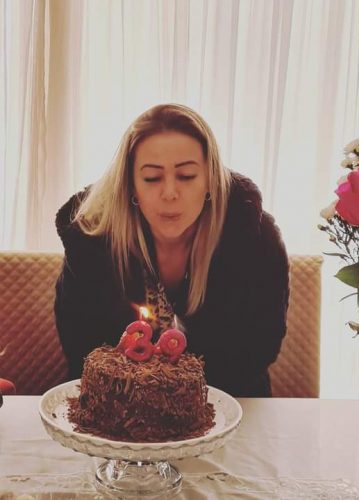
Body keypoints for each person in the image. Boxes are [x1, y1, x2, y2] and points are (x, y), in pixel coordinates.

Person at [54, 103, 289, 397]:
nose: (169, 193)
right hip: (114, 408)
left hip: (232, 405)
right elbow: (80, 347)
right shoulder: (92, 240)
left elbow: (258, 350)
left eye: (187, 176)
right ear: (131, 185)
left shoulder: (256, 241)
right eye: (152, 178)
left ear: (210, 181)